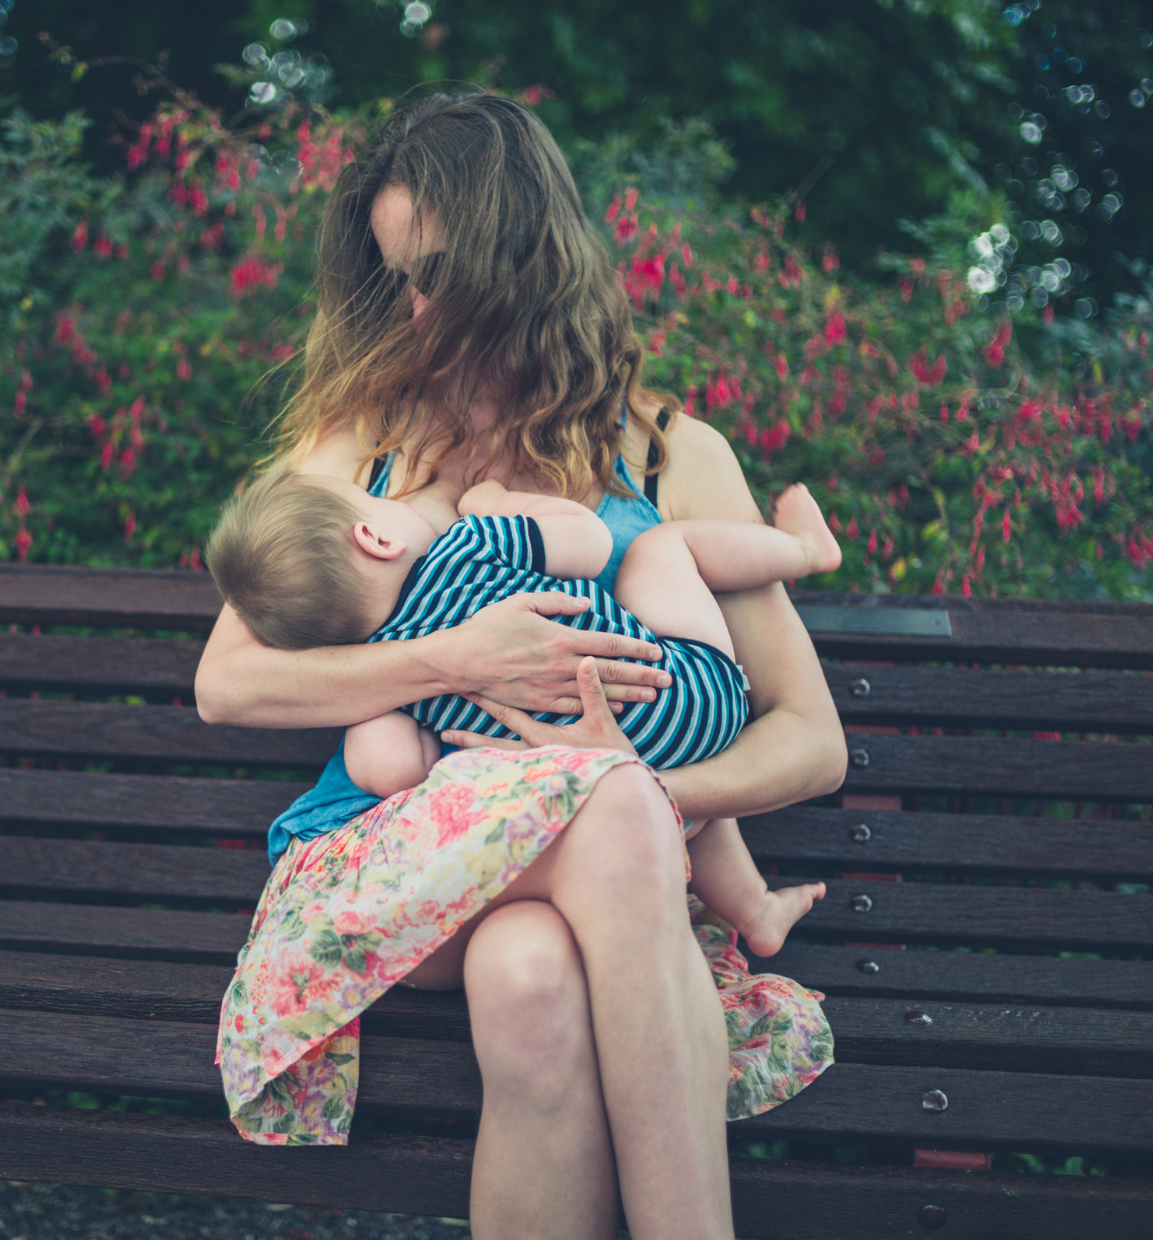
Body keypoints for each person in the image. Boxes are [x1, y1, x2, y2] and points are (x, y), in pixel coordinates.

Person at [197, 91, 847, 1240]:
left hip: (571, 886)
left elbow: (806, 737)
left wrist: (620, 789)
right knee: (604, 820)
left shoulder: (670, 455)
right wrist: (453, 658)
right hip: (391, 872)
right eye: (395, 275)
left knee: (532, 978)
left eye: (435, 269)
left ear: (521, 253)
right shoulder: (370, 439)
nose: (411, 306)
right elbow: (228, 682)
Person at [205, 466, 837, 956]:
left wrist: (396, 709)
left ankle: (756, 913)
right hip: (693, 693)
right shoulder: (466, 543)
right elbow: (588, 542)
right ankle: (806, 552)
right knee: (661, 548)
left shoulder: (384, 677)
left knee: (647, 773)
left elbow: (392, 769)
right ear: (375, 536)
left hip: (601, 780)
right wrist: (497, 502)